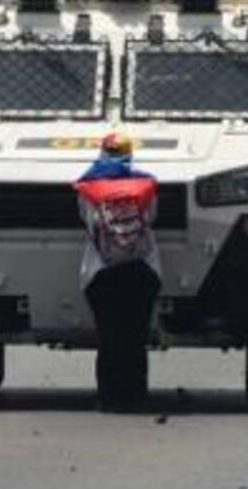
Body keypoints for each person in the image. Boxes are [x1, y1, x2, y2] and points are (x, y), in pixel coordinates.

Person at [74, 133, 161, 410]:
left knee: (109, 337)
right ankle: (135, 396)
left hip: (102, 271)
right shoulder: (146, 184)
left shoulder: (88, 185)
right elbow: (151, 218)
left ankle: (109, 397)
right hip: (142, 269)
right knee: (136, 337)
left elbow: (87, 221)